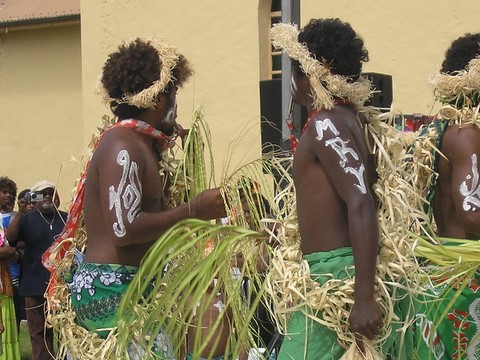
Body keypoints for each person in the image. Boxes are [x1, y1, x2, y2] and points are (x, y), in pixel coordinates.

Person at [41, 37, 227, 358]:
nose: (175, 105)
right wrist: (195, 209)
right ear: (157, 101)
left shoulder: (141, 145)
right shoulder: (122, 147)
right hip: (112, 291)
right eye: (173, 95)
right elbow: (124, 229)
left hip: (136, 290)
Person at [268, 18, 417, 359]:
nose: (293, 81)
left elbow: (360, 203)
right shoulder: (349, 118)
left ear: (310, 76)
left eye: (296, 71)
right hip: (337, 274)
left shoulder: (326, 125)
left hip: (336, 279)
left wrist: (363, 297)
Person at [413, 33, 480, 359]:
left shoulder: (446, 131)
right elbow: (472, 214)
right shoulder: (468, 136)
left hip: (449, 272)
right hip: (467, 277)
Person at [8, 180, 67, 360]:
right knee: (38, 332)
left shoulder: (65, 218)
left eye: (51, 192)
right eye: (42, 193)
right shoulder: (26, 219)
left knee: (62, 332)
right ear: (35, 198)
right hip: (33, 284)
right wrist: (21, 211)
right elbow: (11, 239)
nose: (47, 195)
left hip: (60, 286)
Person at [0, 176, 20, 360]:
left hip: (16, 273)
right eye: (3, 192)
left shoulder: (17, 217)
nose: (7, 196)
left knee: (15, 316)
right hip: (4, 275)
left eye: (10, 193)